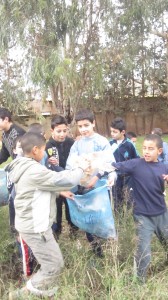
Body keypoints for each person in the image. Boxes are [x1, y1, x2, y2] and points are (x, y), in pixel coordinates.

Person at [7, 132, 89, 299]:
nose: (45, 153)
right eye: (44, 149)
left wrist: (59, 193)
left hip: (33, 223)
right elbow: (66, 179)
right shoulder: (33, 170)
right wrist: (81, 168)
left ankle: (44, 292)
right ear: (36, 150)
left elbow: (35, 189)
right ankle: (22, 295)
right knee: (53, 266)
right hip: (35, 227)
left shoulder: (24, 165)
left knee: (52, 262)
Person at [110, 134, 168, 282]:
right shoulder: (136, 164)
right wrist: (99, 172)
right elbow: (114, 166)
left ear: (159, 151)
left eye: (150, 149)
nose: (146, 152)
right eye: (144, 148)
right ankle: (139, 282)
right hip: (142, 216)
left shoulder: (164, 167)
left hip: (162, 214)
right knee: (144, 252)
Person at [66, 108, 116, 257]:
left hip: (99, 188)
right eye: (80, 127)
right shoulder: (77, 145)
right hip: (84, 188)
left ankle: (108, 249)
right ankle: (97, 251)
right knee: (88, 219)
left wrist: (112, 175)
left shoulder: (102, 142)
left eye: (86, 125)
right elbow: (71, 165)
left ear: (93, 123)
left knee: (101, 218)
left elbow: (110, 164)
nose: (83, 129)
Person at [45, 115, 77, 238]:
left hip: (69, 181)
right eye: (59, 131)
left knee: (71, 207)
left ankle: (74, 230)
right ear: (52, 131)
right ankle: (56, 233)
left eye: (65, 131)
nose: (62, 134)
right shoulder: (48, 145)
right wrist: (49, 161)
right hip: (56, 184)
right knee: (56, 209)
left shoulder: (71, 142)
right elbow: (45, 164)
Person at [109, 117, 139, 212]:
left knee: (129, 198)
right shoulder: (109, 144)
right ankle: (119, 218)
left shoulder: (129, 144)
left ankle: (131, 217)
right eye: (111, 131)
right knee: (116, 198)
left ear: (123, 132)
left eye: (114, 132)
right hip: (115, 176)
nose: (112, 134)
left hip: (128, 177)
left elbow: (136, 159)